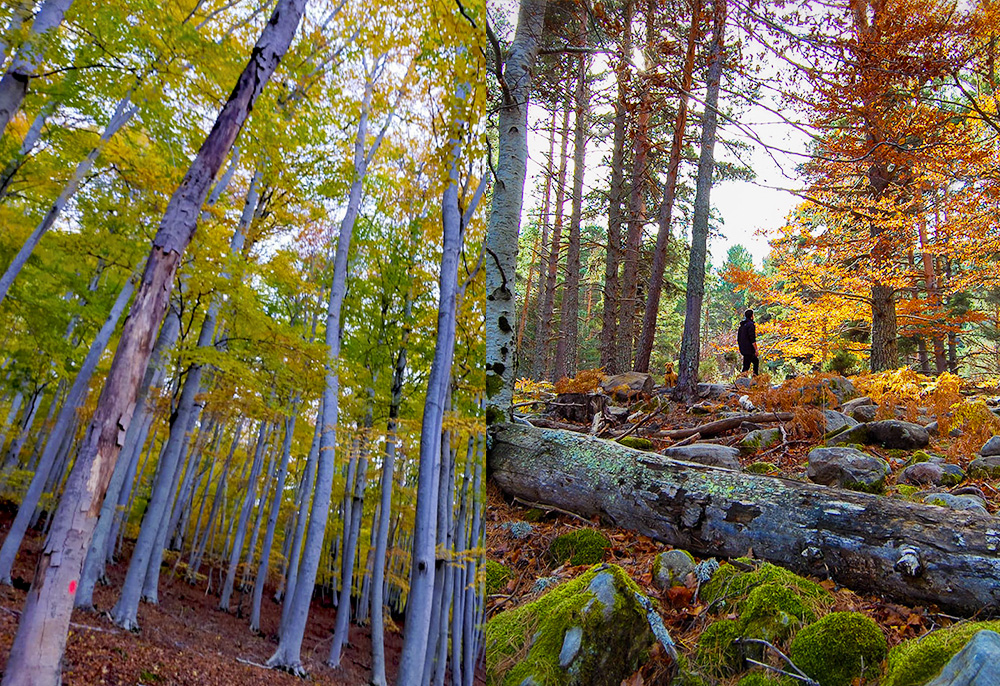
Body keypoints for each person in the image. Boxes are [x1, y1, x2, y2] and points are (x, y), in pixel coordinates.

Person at [737, 309, 759, 376]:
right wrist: (756, 349)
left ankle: (754, 377)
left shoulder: (742, 326)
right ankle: (744, 380)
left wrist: (741, 346)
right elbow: (752, 338)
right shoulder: (750, 325)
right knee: (747, 366)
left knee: (755, 361)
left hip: (743, 348)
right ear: (752, 316)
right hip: (749, 349)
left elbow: (738, 338)